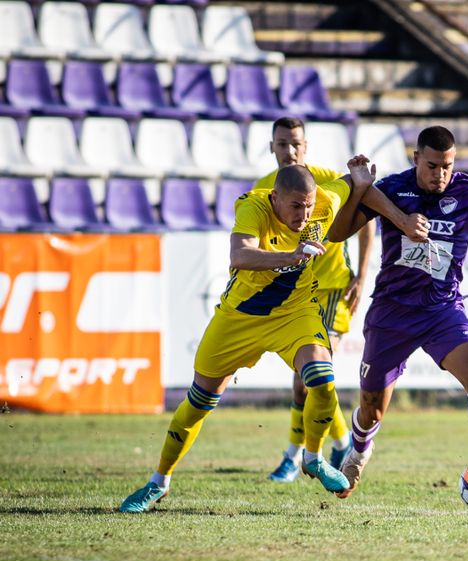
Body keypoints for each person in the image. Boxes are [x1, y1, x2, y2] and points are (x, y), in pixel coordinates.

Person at [119, 162, 376, 512]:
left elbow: (350, 186)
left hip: (295, 314)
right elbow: (240, 255)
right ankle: (158, 482)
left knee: (322, 378)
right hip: (240, 318)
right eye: (295, 206)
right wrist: (292, 255)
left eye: (308, 205)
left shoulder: (324, 203)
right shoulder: (252, 206)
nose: (304, 214)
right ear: (275, 198)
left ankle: (312, 457)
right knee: (198, 403)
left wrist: (360, 178)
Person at [326, 125, 468, 506]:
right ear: (416, 159)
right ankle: (359, 452)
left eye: (446, 166)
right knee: (372, 406)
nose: (439, 174)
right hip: (392, 312)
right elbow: (337, 232)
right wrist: (363, 191)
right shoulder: (392, 188)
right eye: (431, 166)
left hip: (442, 309)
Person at [254, 117, 374, 483]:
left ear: (306, 146)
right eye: (282, 144)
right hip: (296, 292)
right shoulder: (263, 190)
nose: (289, 151)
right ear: (271, 147)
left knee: (309, 377)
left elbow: (366, 218)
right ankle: (337, 442)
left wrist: (362, 274)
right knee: (311, 378)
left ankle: (295, 457)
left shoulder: (326, 180)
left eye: (296, 144)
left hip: (334, 287)